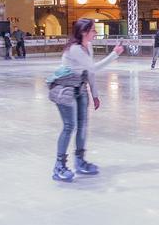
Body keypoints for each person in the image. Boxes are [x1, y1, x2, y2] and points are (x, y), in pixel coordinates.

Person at [50, 19, 125, 182]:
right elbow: (93, 68)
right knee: (69, 126)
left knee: (82, 126)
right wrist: (114, 54)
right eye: (93, 30)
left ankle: (80, 161)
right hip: (65, 90)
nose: (95, 33)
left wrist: (95, 94)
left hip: (80, 89)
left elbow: (89, 73)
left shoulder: (88, 47)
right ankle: (59, 166)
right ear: (84, 32)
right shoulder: (75, 49)